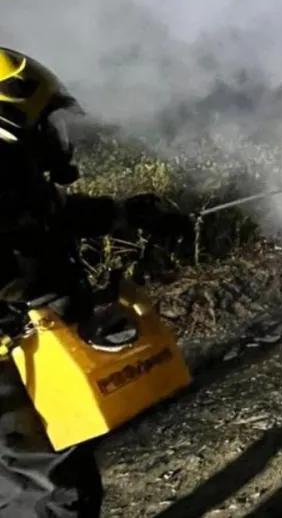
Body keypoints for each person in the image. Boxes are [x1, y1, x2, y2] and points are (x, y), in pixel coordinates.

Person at [1, 47, 191, 517]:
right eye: (44, 122)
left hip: (22, 355)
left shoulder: (10, 172)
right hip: (12, 363)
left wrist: (128, 213)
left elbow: (51, 218)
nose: (53, 135)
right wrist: (40, 302)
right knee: (53, 492)